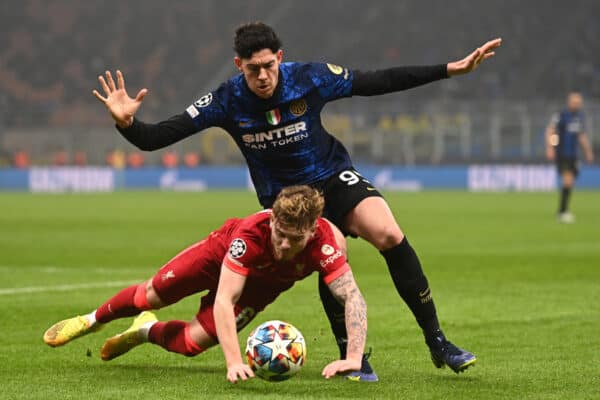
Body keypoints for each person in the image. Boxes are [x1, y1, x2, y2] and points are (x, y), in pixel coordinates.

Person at [92, 22, 501, 380]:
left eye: (269, 66)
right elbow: (157, 137)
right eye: (253, 69)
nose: (264, 76)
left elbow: (376, 81)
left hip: (332, 176)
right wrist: (127, 123)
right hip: (288, 203)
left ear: (280, 59)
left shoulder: (309, 77)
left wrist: (451, 69)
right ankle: (351, 357)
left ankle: (438, 341)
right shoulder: (227, 100)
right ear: (239, 66)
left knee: (389, 232)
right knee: (332, 248)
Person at [43, 185, 367, 383]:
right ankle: (92, 320)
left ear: (312, 231)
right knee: (151, 296)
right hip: (216, 258)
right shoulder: (250, 236)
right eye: (279, 234)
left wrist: (354, 357)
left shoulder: (326, 244)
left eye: (294, 239)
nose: (283, 245)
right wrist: (234, 361)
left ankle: (142, 332)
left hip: (260, 289)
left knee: (191, 345)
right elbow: (225, 298)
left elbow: (351, 297)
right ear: (272, 221)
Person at [545, 91, 594, 223]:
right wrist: (551, 147)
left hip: (574, 154)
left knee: (570, 181)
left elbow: (581, 136)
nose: (576, 104)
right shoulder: (561, 115)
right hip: (562, 153)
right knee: (568, 179)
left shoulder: (580, 117)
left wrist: (588, 151)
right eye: (574, 102)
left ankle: (563, 210)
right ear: (569, 102)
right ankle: (562, 212)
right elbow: (551, 131)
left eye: (578, 102)